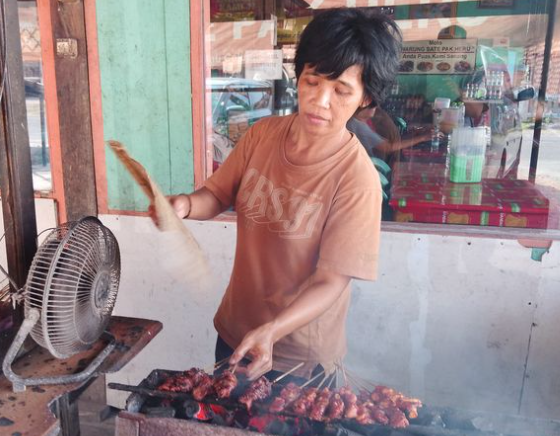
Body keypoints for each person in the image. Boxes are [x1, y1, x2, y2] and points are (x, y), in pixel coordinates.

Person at [157, 9, 402, 381]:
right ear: (299, 77)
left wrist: (272, 330)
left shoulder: (356, 179)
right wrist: (185, 206)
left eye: (340, 91)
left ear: (365, 99)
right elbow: (216, 194)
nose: (320, 101)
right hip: (235, 331)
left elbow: (331, 281)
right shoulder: (262, 135)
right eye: (312, 81)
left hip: (297, 357)